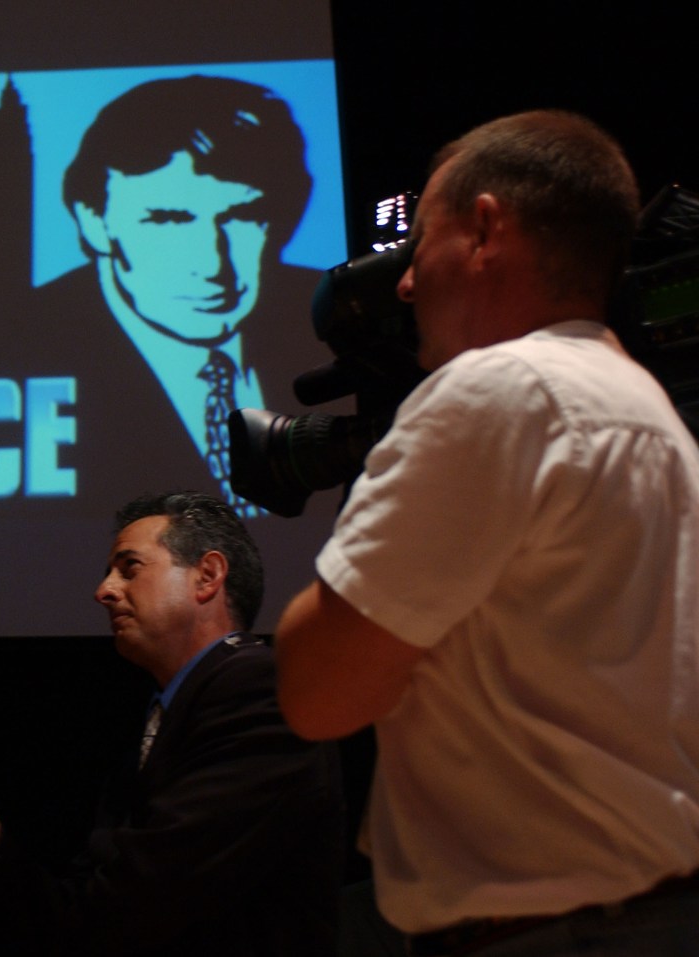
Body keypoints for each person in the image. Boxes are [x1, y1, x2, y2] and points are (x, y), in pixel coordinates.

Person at [274, 111, 699, 955]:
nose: (404, 283)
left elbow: (318, 692)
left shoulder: (499, 391)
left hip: (553, 931)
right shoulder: (646, 410)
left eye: (419, 243)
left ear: (484, 228)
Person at [0, 492, 344, 956]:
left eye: (130, 569)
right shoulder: (168, 713)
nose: (104, 591)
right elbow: (85, 905)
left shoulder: (259, 691)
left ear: (207, 576)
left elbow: (131, 907)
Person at [32, 76, 332, 516]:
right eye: (168, 220)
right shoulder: (19, 344)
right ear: (94, 221)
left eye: (243, 216)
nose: (213, 265)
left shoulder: (332, 312)